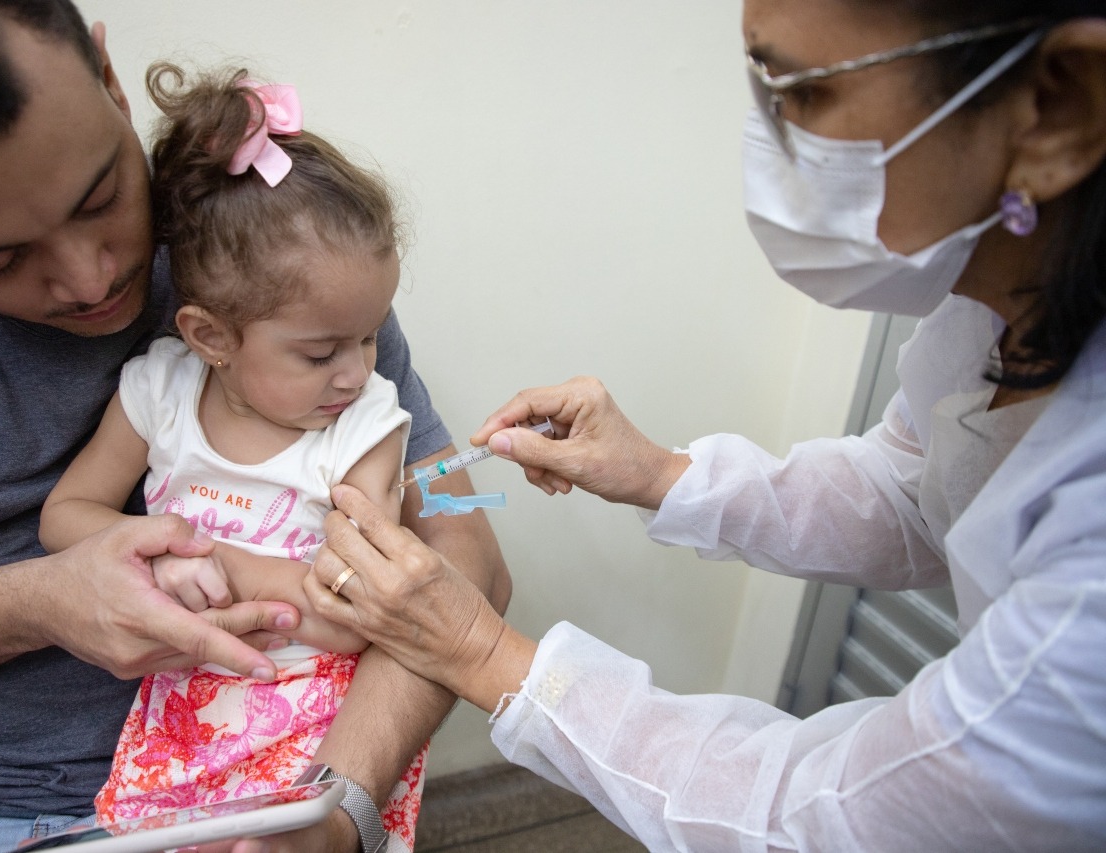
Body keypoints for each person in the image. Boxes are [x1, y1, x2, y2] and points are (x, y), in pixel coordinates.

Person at [303, 1, 1106, 849]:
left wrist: (480, 649)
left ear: (1060, 106)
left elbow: (821, 823)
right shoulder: (1001, 303)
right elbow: (917, 492)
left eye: (803, 89)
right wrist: (657, 472)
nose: (771, 136)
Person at [0, 2, 509, 852]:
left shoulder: (282, 254)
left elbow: (464, 556)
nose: (92, 277)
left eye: (101, 195)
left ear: (109, 79)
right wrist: (34, 602)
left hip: (277, 785)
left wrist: (335, 811)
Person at [39, 64, 424, 850]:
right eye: (322, 352)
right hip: (184, 715)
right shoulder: (159, 396)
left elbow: (356, 616)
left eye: (368, 335)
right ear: (209, 336)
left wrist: (223, 566)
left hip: (314, 727)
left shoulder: (363, 428)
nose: (357, 370)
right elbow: (65, 518)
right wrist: (153, 560)